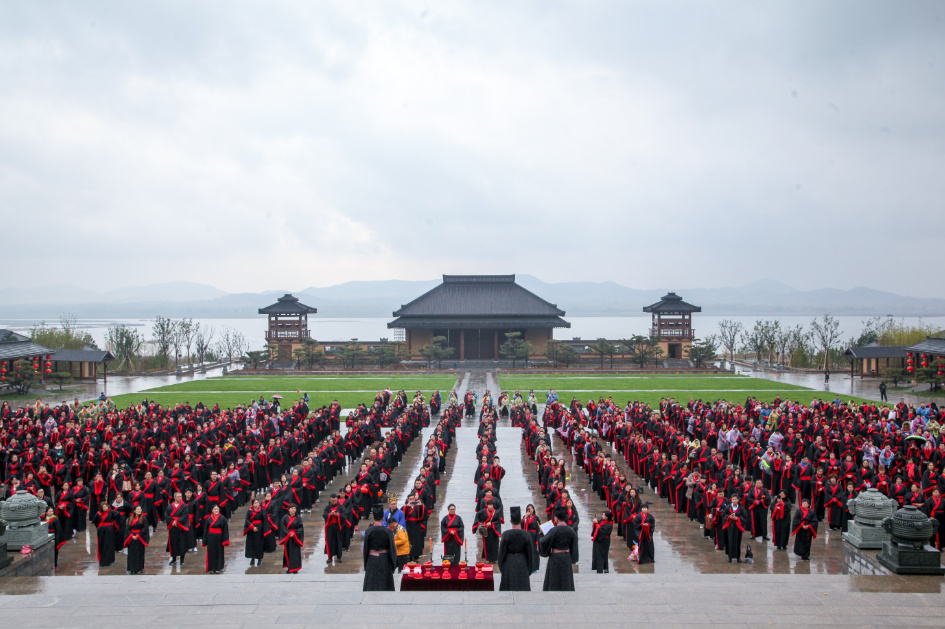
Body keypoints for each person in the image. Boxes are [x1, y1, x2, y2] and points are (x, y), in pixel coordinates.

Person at [538, 506, 579, 591]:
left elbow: (543, 542)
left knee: (554, 580)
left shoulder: (554, 530)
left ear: (556, 518)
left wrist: (541, 535)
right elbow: (574, 547)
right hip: (566, 558)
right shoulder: (571, 531)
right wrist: (572, 558)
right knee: (566, 580)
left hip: (555, 558)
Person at [497, 506, 533, 591]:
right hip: (522, 562)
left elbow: (501, 553)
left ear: (510, 521)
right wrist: (529, 568)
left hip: (509, 563)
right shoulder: (526, 534)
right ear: (521, 521)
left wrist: (502, 567)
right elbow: (530, 553)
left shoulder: (506, 534)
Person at [363, 504, 397, 591]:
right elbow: (392, 549)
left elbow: (365, 549)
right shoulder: (388, 531)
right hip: (384, 560)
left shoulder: (368, 531)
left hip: (372, 560)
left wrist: (366, 564)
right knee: (385, 585)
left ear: (373, 518)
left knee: (371, 585)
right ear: (383, 518)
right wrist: (393, 564)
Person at [203, 504, 230, 574]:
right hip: (211, 537)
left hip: (219, 538)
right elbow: (206, 530)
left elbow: (225, 530)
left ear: (219, 510)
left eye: (217, 509)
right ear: (212, 510)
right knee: (211, 553)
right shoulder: (209, 519)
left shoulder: (223, 519)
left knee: (219, 552)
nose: (216, 510)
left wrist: (225, 540)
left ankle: (218, 568)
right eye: (214, 509)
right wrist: (205, 540)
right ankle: (211, 568)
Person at [720, 494, 747, 563]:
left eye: (735, 499)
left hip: (738, 527)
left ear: (738, 500)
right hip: (730, 527)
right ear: (731, 500)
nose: (734, 501)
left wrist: (737, 518)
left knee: (738, 541)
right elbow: (723, 515)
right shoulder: (728, 507)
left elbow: (745, 517)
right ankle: (730, 557)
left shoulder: (741, 508)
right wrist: (729, 517)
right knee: (730, 541)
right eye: (733, 499)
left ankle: (738, 557)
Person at [165, 491, 190, 567]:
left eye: (180, 496)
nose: (180, 498)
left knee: (182, 543)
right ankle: (174, 559)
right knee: (173, 542)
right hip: (173, 526)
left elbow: (185, 515)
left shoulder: (184, 506)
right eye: (178, 496)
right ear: (174, 497)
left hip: (180, 526)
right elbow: (166, 515)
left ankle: (182, 559)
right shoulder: (170, 506)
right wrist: (172, 522)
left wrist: (177, 522)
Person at [90, 502, 119, 567]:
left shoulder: (111, 512)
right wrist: (99, 527)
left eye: (106, 507)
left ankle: (110, 560)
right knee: (102, 544)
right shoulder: (98, 514)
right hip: (101, 531)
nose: (105, 508)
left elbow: (118, 515)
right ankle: (103, 560)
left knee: (109, 544)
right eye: (104, 507)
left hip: (109, 530)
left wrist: (113, 523)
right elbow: (95, 522)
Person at [279, 503, 305, 574]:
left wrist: (294, 533)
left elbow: (300, 528)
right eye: (292, 508)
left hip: (295, 538)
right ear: (289, 509)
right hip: (288, 537)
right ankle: (289, 567)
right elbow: (283, 527)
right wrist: (288, 533)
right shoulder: (284, 518)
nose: (293, 510)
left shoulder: (298, 518)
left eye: (294, 508)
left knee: (295, 553)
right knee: (288, 552)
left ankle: (295, 568)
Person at [125, 505, 150, 575]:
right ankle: (131, 568)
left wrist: (138, 535)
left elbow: (145, 528)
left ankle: (139, 568)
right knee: (131, 553)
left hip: (140, 537)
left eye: (140, 509)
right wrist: (131, 535)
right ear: (134, 510)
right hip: (132, 538)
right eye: (138, 509)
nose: (139, 510)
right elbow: (127, 529)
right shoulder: (130, 519)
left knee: (139, 553)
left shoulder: (144, 518)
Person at [244, 498, 266, 567]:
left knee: (259, 544)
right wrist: (252, 527)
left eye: (257, 503)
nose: (256, 504)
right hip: (251, 530)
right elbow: (247, 520)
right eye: (255, 503)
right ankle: (252, 558)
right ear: (252, 504)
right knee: (252, 544)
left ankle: (259, 559)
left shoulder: (262, 510)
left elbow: (264, 520)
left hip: (260, 530)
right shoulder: (249, 511)